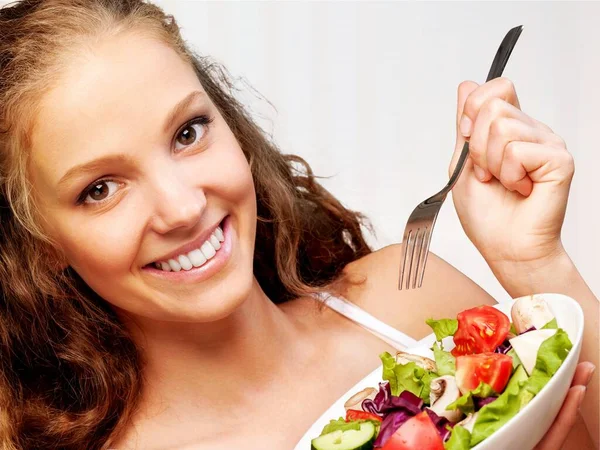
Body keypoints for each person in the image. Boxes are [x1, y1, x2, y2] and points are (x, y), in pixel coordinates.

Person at [0, 1, 596, 449]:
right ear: (39, 243)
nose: (182, 208)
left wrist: (533, 263)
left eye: (188, 132)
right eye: (99, 190)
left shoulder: (410, 301)